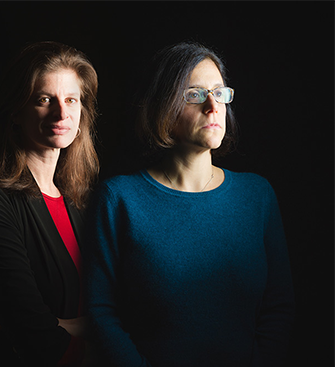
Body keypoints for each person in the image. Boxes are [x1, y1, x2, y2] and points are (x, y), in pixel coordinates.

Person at [85, 42, 295, 366]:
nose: (213, 106)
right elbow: (100, 311)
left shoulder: (257, 196)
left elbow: (279, 307)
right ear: (163, 108)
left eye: (219, 93)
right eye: (195, 94)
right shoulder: (118, 200)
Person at [0, 41, 99, 366]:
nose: (61, 113)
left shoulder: (79, 201)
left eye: (71, 100)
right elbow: (32, 332)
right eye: (44, 100)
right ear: (16, 112)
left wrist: (69, 326)